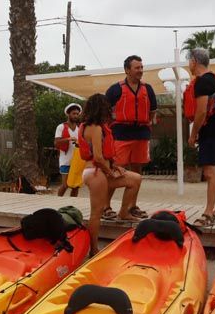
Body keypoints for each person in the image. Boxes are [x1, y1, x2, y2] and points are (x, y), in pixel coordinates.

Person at [78, 93, 141, 254]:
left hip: (100, 171)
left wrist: (115, 167)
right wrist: (110, 173)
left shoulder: (96, 127)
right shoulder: (96, 128)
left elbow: (104, 156)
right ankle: (93, 249)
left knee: (135, 179)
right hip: (96, 172)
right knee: (96, 213)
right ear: (101, 109)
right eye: (106, 108)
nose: (109, 110)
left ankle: (124, 212)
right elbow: (98, 157)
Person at [104, 55, 156, 219]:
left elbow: (153, 110)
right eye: (137, 68)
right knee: (115, 171)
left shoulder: (148, 89)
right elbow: (104, 111)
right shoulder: (115, 89)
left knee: (137, 171)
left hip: (141, 134)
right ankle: (105, 206)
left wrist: (148, 122)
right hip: (120, 134)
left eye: (141, 67)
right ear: (127, 70)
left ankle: (132, 206)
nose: (141, 70)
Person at [184, 48, 215, 227]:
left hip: (210, 128)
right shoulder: (212, 79)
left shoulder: (203, 82)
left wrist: (193, 134)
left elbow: (202, 111)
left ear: (194, 61)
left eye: (189, 60)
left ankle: (208, 213)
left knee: (209, 172)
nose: (188, 64)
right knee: (213, 169)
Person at [54, 103, 82, 197]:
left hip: (76, 161)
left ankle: (72, 205)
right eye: (74, 113)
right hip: (65, 160)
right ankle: (58, 202)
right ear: (68, 114)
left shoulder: (79, 129)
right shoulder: (61, 127)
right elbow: (56, 143)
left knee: (76, 186)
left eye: (77, 114)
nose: (76, 116)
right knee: (65, 185)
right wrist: (68, 139)